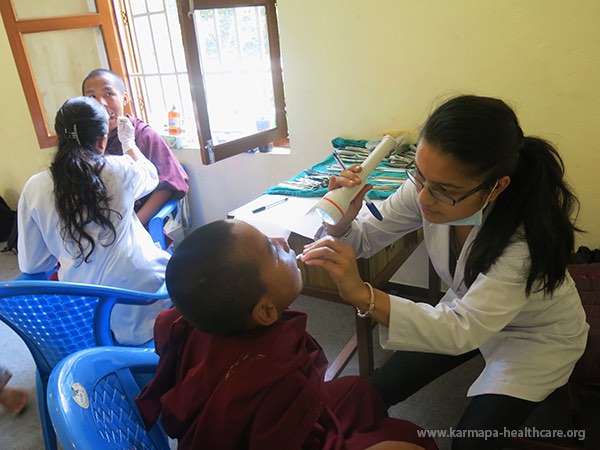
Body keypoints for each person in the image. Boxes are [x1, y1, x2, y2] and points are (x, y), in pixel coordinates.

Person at [301, 95, 590, 450]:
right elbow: (365, 238)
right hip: (466, 312)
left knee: (469, 443)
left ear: (496, 186)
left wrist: (364, 295)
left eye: (444, 190)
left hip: (533, 338)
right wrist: (343, 223)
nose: (423, 198)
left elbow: (461, 332)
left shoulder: (521, 246)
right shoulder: (427, 188)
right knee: (376, 389)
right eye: (420, 176)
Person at [135, 219, 437, 450]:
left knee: (359, 390)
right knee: (411, 438)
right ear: (266, 312)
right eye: (273, 250)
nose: (282, 241)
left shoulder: (200, 320)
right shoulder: (274, 378)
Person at [18, 96, 171, 345]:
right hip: (145, 301)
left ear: (59, 138)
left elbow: (33, 265)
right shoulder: (121, 169)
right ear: (102, 141)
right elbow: (151, 175)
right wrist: (128, 142)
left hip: (86, 313)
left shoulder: (34, 188)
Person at [82, 68, 189, 227]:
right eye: (92, 97)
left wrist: (134, 224)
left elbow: (166, 185)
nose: (101, 103)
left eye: (108, 94)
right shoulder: (86, 140)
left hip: (138, 221)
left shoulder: (142, 135)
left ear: (124, 98)